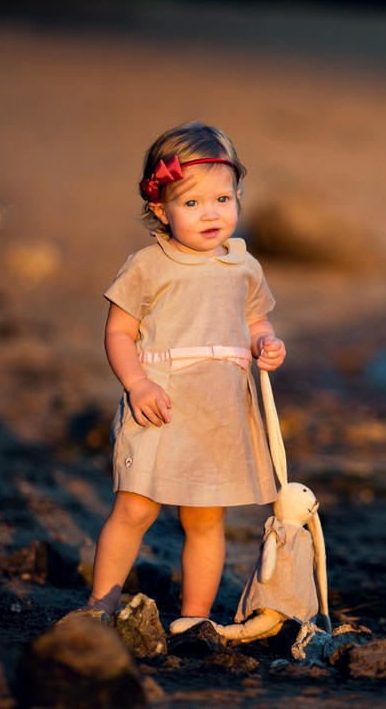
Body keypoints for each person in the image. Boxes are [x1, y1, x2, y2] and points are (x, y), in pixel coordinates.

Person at [81, 122, 285, 632]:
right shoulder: (149, 265)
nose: (210, 213)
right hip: (161, 402)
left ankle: (194, 618)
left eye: (221, 198)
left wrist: (265, 343)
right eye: (191, 204)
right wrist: (137, 384)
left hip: (218, 411)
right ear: (160, 209)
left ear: (238, 195)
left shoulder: (243, 266)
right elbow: (119, 333)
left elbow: (255, 319)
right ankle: (101, 603)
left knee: (206, 519)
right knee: (134, 509)